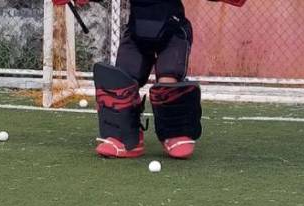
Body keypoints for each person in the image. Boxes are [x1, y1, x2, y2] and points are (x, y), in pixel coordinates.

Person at [65, 0, 243, 159]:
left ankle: (175, 133)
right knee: (123, 81)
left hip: (172, 32)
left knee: (169, 78)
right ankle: (124, 138)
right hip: (136, 34)